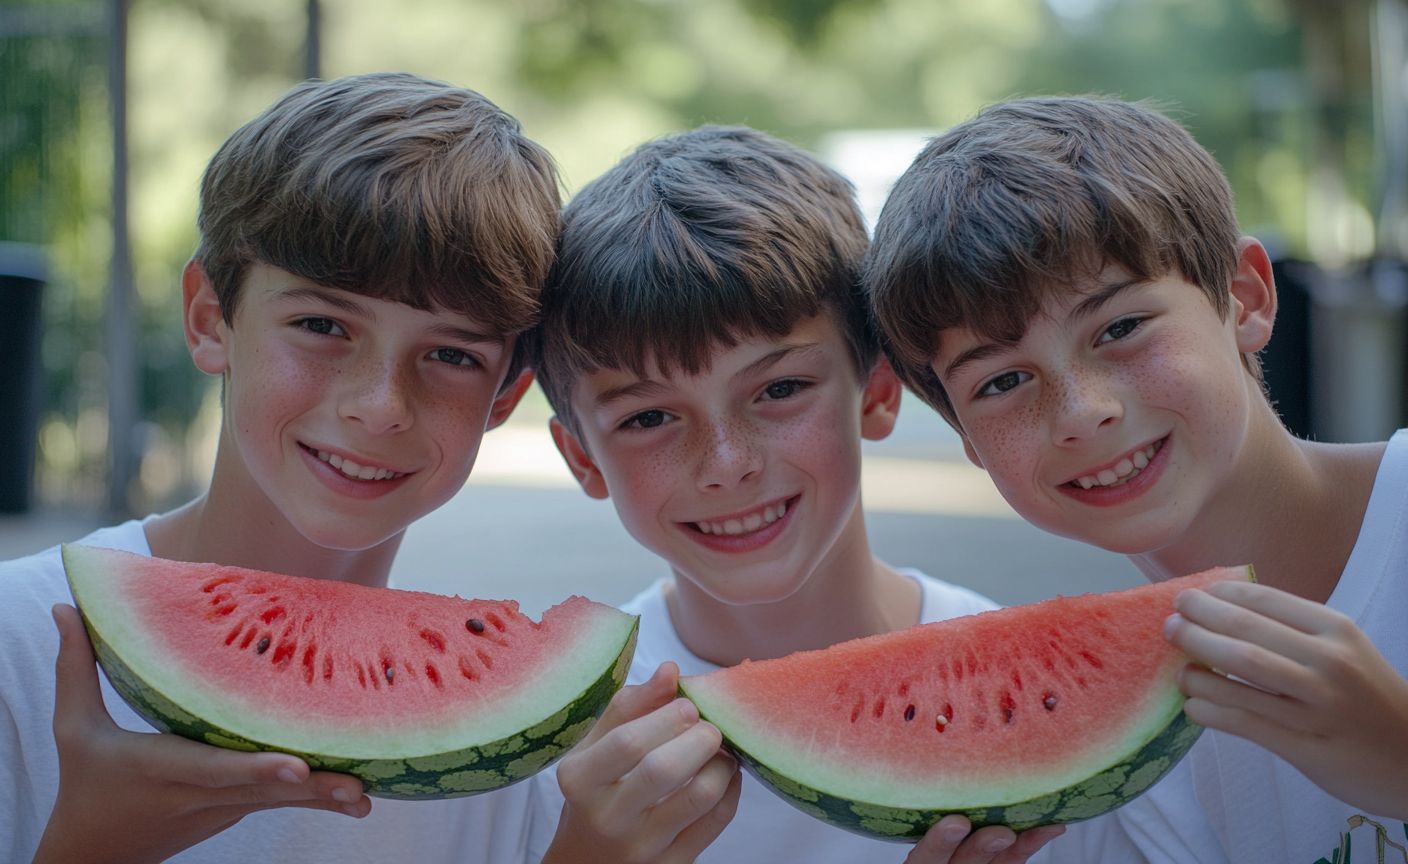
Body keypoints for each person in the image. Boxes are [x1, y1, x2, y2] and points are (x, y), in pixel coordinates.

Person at [1, 71, 562, 864]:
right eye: (323, 324)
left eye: (450, 354)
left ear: (506, 393)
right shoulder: (15, 651)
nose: (380, 405)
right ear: (210, 320)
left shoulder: (520, 755)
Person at [864, 94, 1408, 863]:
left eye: (1120, 328)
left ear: (1244, 299)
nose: (1080, 414)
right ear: (969, 441)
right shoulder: (1090, 777)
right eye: (1001, 383)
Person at [522, 124, 1066, 864]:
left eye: (779, 389)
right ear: (582, 457)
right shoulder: (551, 757)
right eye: (648, 417)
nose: (726, 463)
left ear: (876, 395)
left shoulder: (1037, 708)